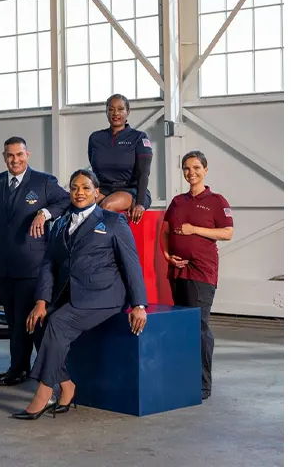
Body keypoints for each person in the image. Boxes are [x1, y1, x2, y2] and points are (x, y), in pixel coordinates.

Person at [13, 169, 148, 420]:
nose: (79, 192)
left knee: (58, 323)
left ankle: (43, 394)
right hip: (70, 294)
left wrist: (139, 305)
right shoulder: (60, 223)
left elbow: (131, 263)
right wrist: (41, 302)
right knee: (39, 324)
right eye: (74, 188)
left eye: (86, 188)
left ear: (97, 193)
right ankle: (67, 386)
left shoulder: (113, 222)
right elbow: (48, 265)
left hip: (105, 296)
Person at [0, 136, 70, 386]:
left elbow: (66, 201)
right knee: (14, 322)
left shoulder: (43, 182)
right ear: (4, 157)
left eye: (19, 154)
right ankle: (19, 367)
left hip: (32, 266)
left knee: (33, 321)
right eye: (10, 155)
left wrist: (45, 213)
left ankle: (46, 373)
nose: (15, 159)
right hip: (2, 266)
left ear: (27, 155)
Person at [161, 150, 234, 401]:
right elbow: (165, 232)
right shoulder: (177, 202)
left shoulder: (216, 201)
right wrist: (167, 255)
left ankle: (203, 384)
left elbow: (227, 233)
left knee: (199, 326)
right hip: (177, 270)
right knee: (182, 325)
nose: (191, 172)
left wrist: (194, 229)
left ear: (205, 170)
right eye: (186, 168)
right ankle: (184, 376)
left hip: (201, 271)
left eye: (196, 168)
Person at [87, 93, 153, 224]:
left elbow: (144, 173)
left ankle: (106, 237)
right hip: (104, 188)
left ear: (128, 112)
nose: (115, 113)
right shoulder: (95, 138)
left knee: (107, 206)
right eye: (111, 109)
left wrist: (140, 203)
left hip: (130, 189)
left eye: (120, 109)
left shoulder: (139, 137)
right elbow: (94, 167)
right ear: (106, 112)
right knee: (84, 207)